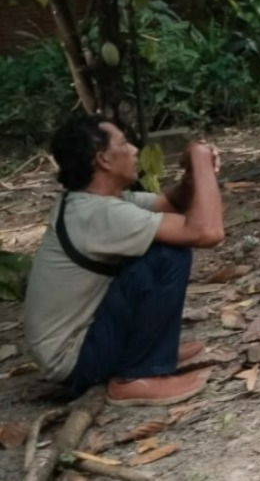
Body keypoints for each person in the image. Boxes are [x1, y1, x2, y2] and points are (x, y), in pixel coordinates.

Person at [23, 117, 224, 405]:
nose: (134, 150)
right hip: (77, 360)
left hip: (82, 341)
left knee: (161, 244)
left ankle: (151, 352)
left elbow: (170, 206)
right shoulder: (98, 215)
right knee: (168, 254)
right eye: (123, 144)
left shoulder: (96, 202)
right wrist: (201, 158)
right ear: (103, 159)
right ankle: (137, 375)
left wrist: (192, 177)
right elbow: (207, 232)